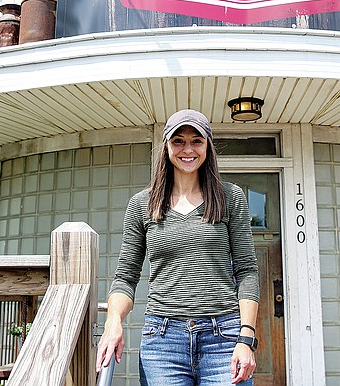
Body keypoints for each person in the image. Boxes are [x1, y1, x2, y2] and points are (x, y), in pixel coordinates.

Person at [96, 109, 260, 386]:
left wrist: (246, 338)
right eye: (178, 141)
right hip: (162, 342)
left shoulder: (230, 197)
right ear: (166, 147)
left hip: (224, 339)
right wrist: (113, 322)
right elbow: (125, 277)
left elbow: (247, 271)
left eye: (196, 141)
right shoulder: (142, 204)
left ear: (208, 146)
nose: (188, 149)